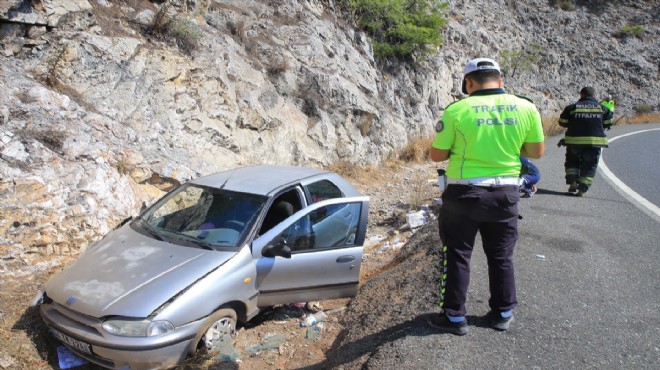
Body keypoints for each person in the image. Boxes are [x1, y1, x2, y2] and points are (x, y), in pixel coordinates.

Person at [429, 57, 545, 335]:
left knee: (458, 254)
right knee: (501, 255)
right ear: (500, 80)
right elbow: (536, 152)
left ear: (468, 83)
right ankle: (502, 313)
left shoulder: (457, 110)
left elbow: (437, 154)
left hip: (464, 193)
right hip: (505, 194)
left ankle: (455, 317)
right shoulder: (526, 107)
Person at [559, 87, 613, 197]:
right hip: (594, 143)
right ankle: (582, 190)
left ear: (581, 95)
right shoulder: (602, 108)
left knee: (572, 161)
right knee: (590, 165)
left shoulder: (572, 108)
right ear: (594, 95)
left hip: (574, 142)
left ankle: (573, 181)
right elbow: (608, 123)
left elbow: (562, 122)